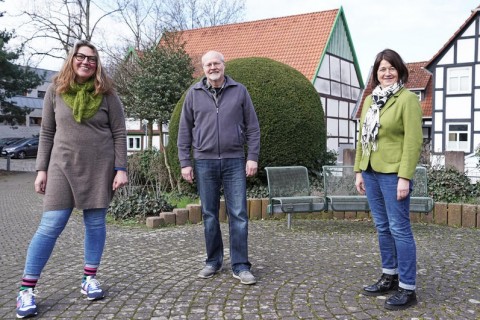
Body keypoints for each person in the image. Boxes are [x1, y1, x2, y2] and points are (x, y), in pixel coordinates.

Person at [15, 40, 128, 318]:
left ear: (97, 63)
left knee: (95, 223)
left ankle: (89, 278)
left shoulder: (108, 94)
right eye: (81, 57)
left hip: (99, 167)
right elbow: (47, 133)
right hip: (61, 167)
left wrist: (121, 168)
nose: (86, 62)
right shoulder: (55, 91)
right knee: (50, 224)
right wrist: (41, 169)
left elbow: (119, 133)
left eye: (91, 58)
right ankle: (26, 289)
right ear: (72, 59)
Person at [177, 50, 260, 285]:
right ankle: (213, 261)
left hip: (234, 160)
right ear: (202, 68)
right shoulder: (193, 94)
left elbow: (253, 128)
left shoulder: (239, 91)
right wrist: (185, 162)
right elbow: (184, 131)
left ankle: (241, 265)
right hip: (204, 161)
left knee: (239, 214)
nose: (212, 67)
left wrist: (252, 156)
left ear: (224, 65)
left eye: (216, 63)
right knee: (210, 214)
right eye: (208, 65)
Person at [354, 49, 423, 311]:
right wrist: (359, 170)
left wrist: (404, 177)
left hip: (394, 173)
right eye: (382, 69)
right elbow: (362, 136)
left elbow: (413, 142)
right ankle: (389, 275)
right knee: (382, 227)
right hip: (370, 172)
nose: (387, 73)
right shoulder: (371, 99)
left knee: (400, 229)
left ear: (400, 71)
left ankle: (408, 288)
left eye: (391, 68)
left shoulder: (407, 100)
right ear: (376, 73)